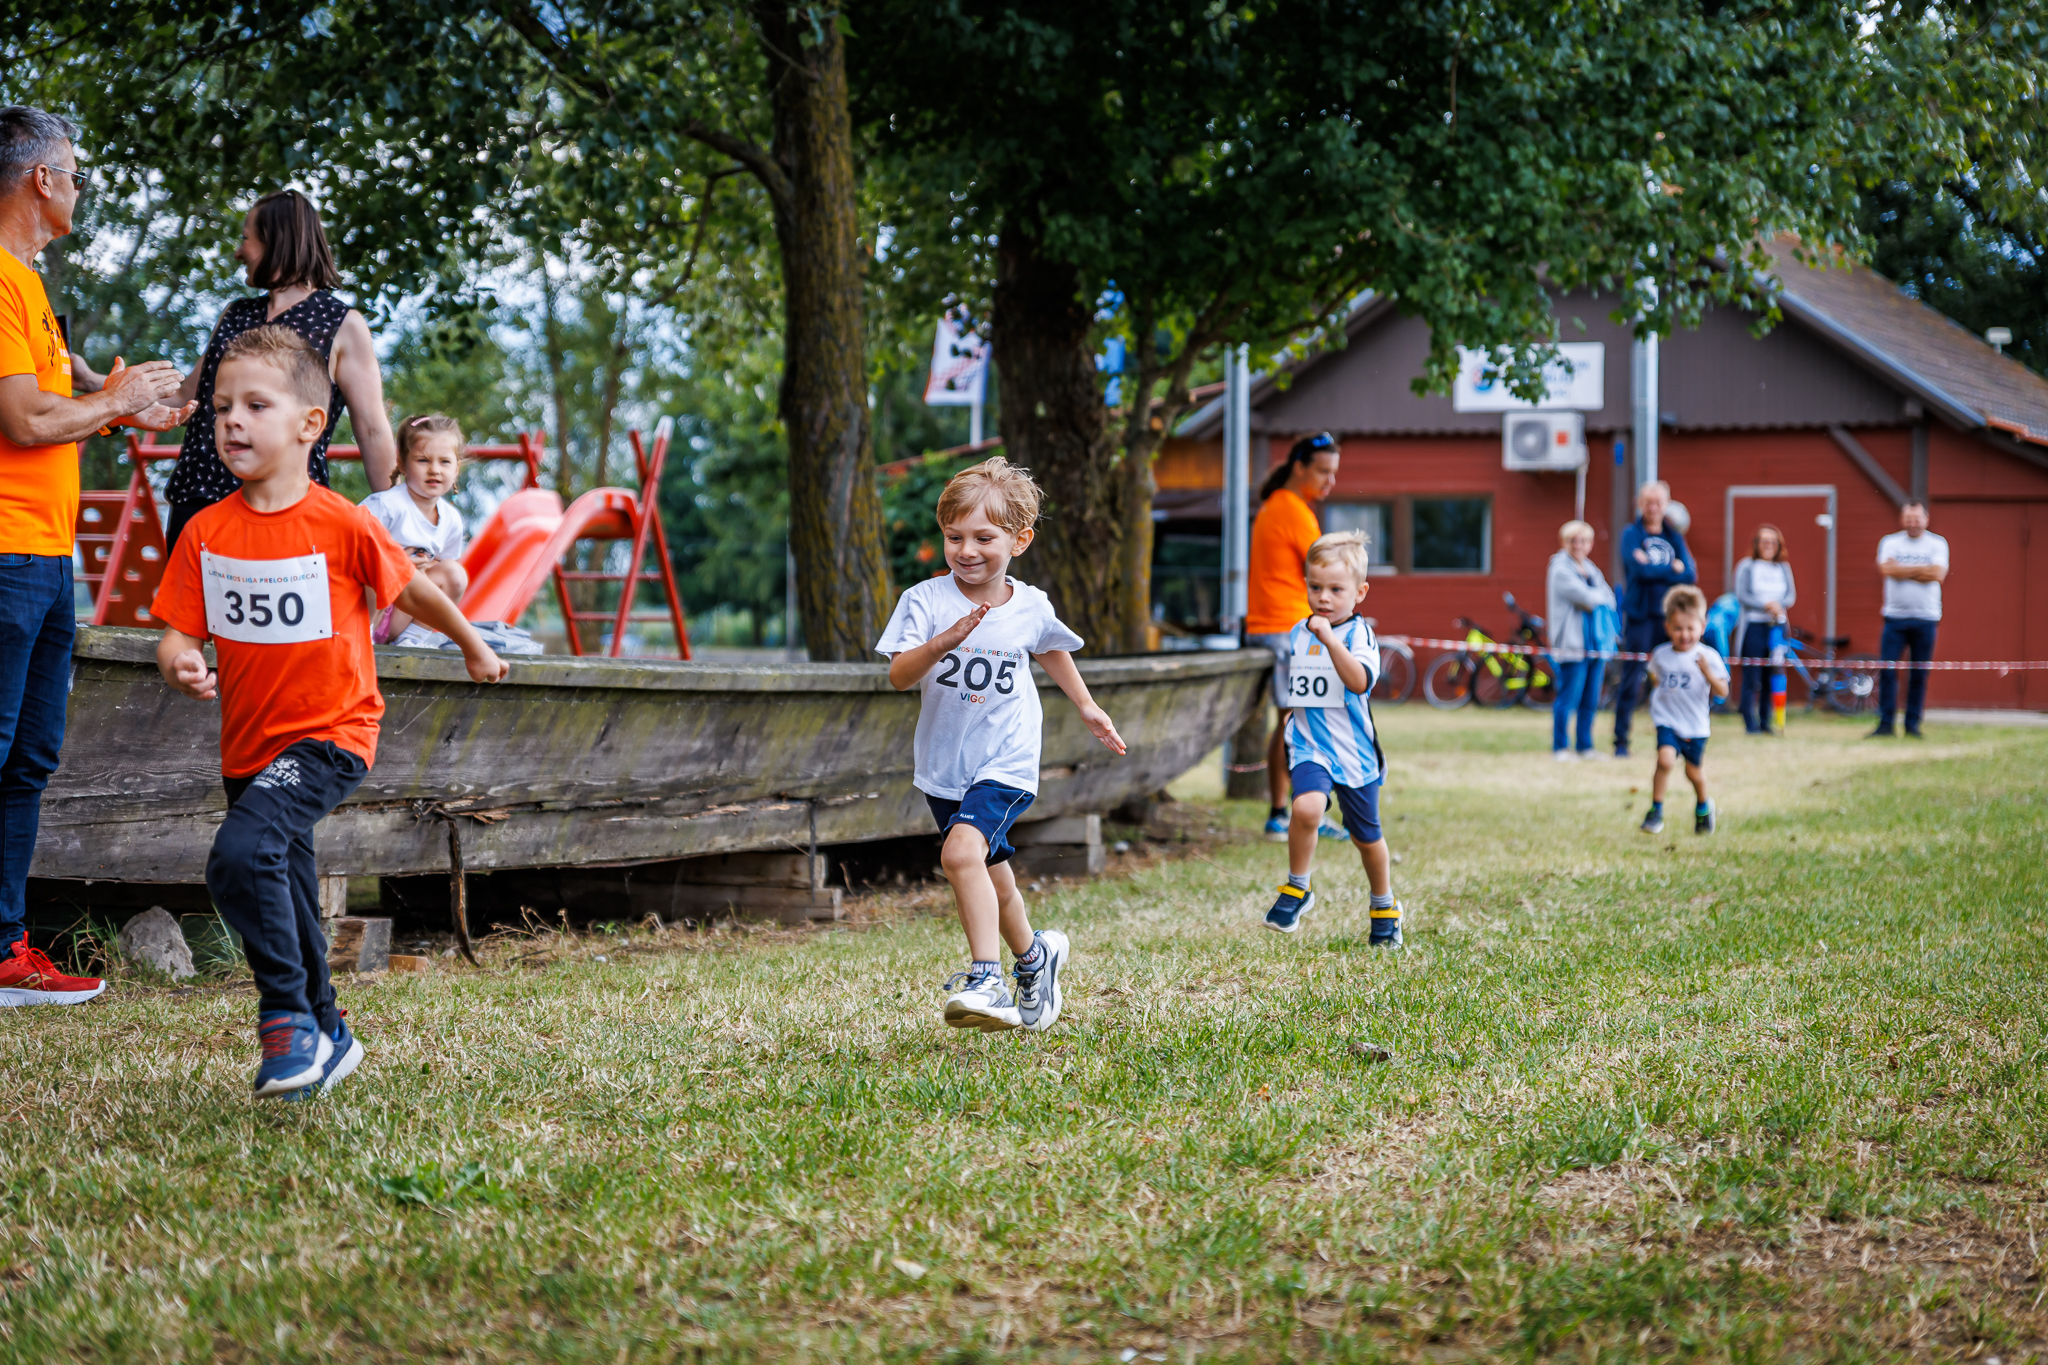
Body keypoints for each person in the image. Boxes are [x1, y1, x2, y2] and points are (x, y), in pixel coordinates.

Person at [151, 326, 507, 1097]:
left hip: (331, 734)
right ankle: (329, 1030)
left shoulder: (342, 521)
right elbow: (179, 628)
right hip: (249, 749)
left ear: (310, 424)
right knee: (279, 883)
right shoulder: (207, 531)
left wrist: (472, 642)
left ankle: (286, 1020)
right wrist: (178, 660)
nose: (232, 420)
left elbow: (412, 590)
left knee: (238, 858)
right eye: (221, 406)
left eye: (255, 405)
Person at [0, 106, 195, 1006]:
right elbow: (26, 420)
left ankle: (6, 948)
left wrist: (119, 405)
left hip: (44, 559)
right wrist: (116, 400)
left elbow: (59, 401)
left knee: (28, 759)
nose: (80, 188)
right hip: (6, 554)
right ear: (41, 179)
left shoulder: (30, 285)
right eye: (75, 173)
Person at [877, 458, 1125, 1033]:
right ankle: (1035, 959)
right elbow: (899, 676)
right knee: (992, 874)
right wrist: (944, 641)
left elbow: (1049, 647)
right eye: (954, 537)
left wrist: (1086, 705)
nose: (966, 550)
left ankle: (986, 979)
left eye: (983, 538)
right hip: (945, 766)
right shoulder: (924, 600)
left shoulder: (1031, 604)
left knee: (960, 855)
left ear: (1020, 540)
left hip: (1006, 761)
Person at [162, 189, 399, 553]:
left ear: (276, 241)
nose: (238, 251)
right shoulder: (235, 314)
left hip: (286, 512)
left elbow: (371, 429)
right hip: (198, 505)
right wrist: (99, 386)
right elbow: (185, 398)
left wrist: (402, 523)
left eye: (246, 238)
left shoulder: (342, 324)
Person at [1262, 531, 1402, 943]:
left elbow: (1359, 681)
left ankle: (1384, 905)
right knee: (1305, 809)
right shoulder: (1298, 632)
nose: (1323, 597)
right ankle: (1297, 887)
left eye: (1336, 589)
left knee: (1366, 838)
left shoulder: (1360, 635)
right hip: (1310, 745)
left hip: (1354, 753)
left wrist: (1329, 639)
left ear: (1359, 593)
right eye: (1315, 587)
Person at [1245, 431, 1346, 843]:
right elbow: (1329, 569)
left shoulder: (1279, 505)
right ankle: (1294, 814)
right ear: (1299, 467)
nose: (1330, 481)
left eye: (1334, 473)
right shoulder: (1292, 510)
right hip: (1288, 629)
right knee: (1298, 722)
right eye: (1323, 471)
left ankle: (1284, 813)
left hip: (1277, 627)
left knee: (1292, 720)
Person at [363, 414, 469, 644]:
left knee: (455, 573)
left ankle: (412, 639)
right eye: (423, 460)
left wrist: (420, 567)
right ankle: (362, 636)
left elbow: (441, 566)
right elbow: (350, 557)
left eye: (445, 462)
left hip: (403, 612)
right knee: (370, 562)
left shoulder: (451, 519)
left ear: (456, 469)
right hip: (368, 611)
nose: (434, 470)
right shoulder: (385, 506)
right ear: (402, 464)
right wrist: (396, 564)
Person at [1611, 480, 1696, 758]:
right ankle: (1621, 741)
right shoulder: (1631, 534)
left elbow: (1690, 574)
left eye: (1658, 502)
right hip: (1640, 617)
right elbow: (1639, 572)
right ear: (1640, 504)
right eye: (1648, 502)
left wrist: (1655, 566)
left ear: (1666, 504)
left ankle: (1676, 739)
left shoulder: (1674, 535)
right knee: (1632, 678)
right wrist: (1672, 568)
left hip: (1668, 618)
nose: (1653, 507)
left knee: (1674, 676)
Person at [1639, 585, 1729, 836]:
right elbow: (1654, 677)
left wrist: (1708, 673)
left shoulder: (1708, 656)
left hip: (1695, 726)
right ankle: (1656, 811)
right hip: (1667, 720)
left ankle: (1703, 807)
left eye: (1690, 628)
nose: (1684, 634)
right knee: (1665, 760)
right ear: (1667, 627)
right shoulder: (1661, 655)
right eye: (1678, 628)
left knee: (1693, 772)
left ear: (1702, 626)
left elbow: (1723, 691)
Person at [1871, 500, 1948, 739]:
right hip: (1894, 619)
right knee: (1888, 672)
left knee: (1919, 674)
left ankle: (1912, 725)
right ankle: (1885, 724)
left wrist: (1901, 570)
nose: (1912, 523)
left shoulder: (1937, 543)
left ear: (1926, 519)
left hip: (1927, 619)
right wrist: (1921, 570)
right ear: (1902, 519)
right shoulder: (1890, 542)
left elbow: (1937, 573)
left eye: (1917, 518)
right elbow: (1886, 570)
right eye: (1908, 518)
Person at [1545, 520, 1616, 760]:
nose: (1578, 545)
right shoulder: (1559, 568)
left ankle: (1585, 746)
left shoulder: (1590, 568)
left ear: (1590, 544)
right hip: (1572, 644)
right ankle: (1561, 747)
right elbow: (1585, 596)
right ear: (1564, 543)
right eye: (1573, 540)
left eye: (1583, 541)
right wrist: (1598, 598)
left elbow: (1609, 597)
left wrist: (1598, 599)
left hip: (1595, 644)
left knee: (1590, 699)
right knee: (1568, 698)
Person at [1733, 524, 1796, 734]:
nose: (1768, 545)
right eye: (1764, 541)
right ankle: (1749, 722)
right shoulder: (1747, 566)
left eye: (1773, 542)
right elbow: (1742, 595)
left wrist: (1778, 606)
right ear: (1757, 544)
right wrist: (1765, 605)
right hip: (1754, 626)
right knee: (1752, 676)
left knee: (1772, 673)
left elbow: (1790, 596)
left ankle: (1766, 721)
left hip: (1776, 627)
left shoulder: (1783, 568)